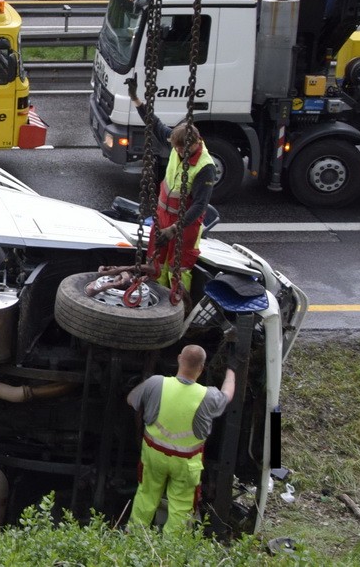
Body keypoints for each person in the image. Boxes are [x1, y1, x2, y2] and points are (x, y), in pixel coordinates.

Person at [126, 344, 238, 533]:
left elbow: (131, 400)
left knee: (146, 495)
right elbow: (227, 395)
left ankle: (134, 536)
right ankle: (169, 551)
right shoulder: (208, 396)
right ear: (201, 368)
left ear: (179, 359)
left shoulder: (155, 383)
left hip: (154, 456)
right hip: (186, 464)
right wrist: (232, 372)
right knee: (181, 506)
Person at [130, 79, 216, 294]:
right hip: (163, 217)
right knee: (157, 265)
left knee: (178, 269)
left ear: (195, 143)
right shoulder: (177, 142)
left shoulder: (205, 167)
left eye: (181, 150)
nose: (177, 153)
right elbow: (154, 123)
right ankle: (159, 302)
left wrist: (174, 229)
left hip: (185, 225)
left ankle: (179, 307)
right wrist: (136, 100)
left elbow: (199, 206)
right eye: (175, 149)